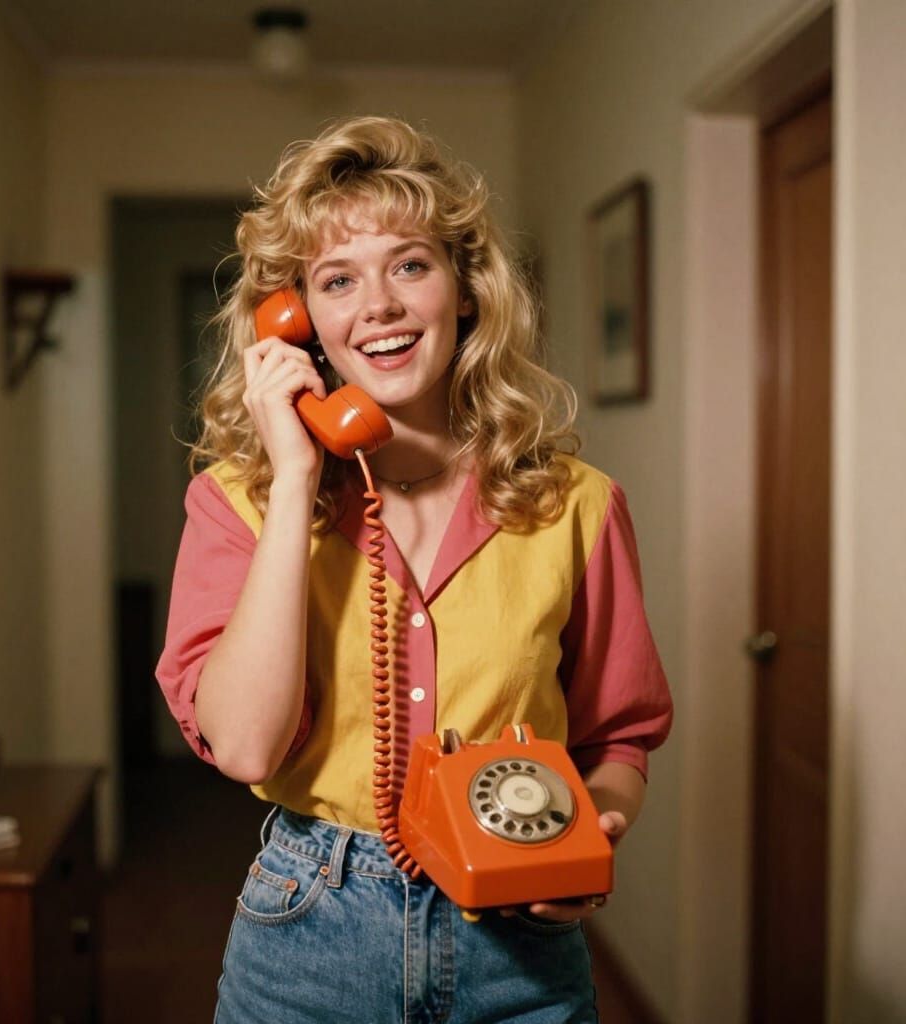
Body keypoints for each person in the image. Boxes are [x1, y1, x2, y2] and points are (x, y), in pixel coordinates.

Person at [156, 115, 673, 1024]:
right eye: (336, 281)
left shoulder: (579, 505)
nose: (379, 306)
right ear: (298, 322)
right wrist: (295, 487)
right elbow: (242, 747)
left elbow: (617, 737)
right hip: (309, 929)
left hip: (523, 944)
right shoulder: (235, 504)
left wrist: (589, 834)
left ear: (464, 291)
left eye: (409, 265)